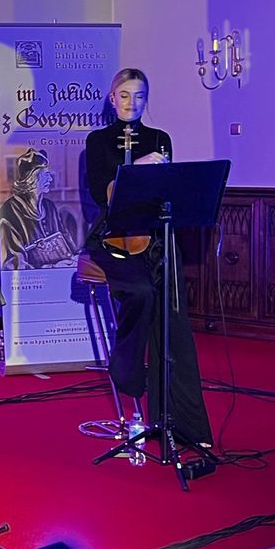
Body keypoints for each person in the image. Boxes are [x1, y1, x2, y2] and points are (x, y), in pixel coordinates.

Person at [81, 67, 213, 453]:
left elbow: (168, 194)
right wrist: (135, 168)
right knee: (141, 292)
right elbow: (101, 195)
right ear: (112, 99)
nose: (131, 103)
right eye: (124, 95)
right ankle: (126, 366)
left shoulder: (159, 139)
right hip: (112, 239)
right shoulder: (97, 141)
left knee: (174, 320)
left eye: (139, 96)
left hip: (156, 239)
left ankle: (185, 424)